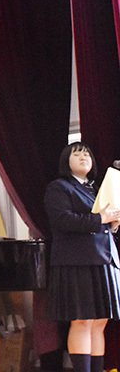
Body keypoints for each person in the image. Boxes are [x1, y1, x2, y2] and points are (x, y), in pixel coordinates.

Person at [45, 142, 120, 372]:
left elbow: (103, 222)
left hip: (104, 259)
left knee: (99, 322)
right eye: (76, 154)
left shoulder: (96, 189)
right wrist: (100, 219)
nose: (83, 156)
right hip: (77, 262)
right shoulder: (59, 187)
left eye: (87, 153)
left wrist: (113, 224)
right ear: (65, 162)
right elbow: (63, 220)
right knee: (82, 320)